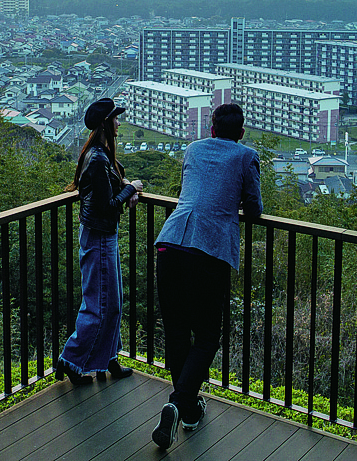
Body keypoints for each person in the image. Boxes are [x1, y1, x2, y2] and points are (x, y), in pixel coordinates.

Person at [150, 102, 263, 449]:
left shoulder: (193, 148)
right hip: (209, 251)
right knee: (209, 336)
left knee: (177, 332)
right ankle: (178, 402)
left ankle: (188, 411)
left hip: (170, 244)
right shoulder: (245, 156)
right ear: (241, 132)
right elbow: (255, 209)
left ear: (211, 128)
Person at [55, 97, 144, 384]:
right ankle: (71, 360)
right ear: (106, 123)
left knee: (112, 302)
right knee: (99, 304)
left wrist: (127, 190)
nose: (119, 122)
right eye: (116, 118)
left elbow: (109, 194)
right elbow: (107, 205)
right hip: (99, 236)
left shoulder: (101, 154)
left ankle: (109, 358)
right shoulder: (98, 158)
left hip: (103, 234)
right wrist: (131, 188)